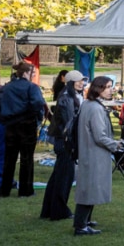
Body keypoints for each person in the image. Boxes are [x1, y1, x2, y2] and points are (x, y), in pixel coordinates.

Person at [73, 76, 124, 236]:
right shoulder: (94, 108)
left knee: (90, 188)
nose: (111, 90)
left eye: (111, 86)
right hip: (93, 153)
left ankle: (85, 221)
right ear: (98, 88)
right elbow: (99, 136)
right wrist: (114, 144)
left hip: (91, 152)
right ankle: (81, 226)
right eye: (108, 87)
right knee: (89, 189)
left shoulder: (89, 104)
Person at [0, 61, 47, 198]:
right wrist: (38, 117)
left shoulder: (8, 87)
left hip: (10, 125)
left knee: (9, 158)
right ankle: (25, 190)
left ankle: (4, 190)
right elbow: (38, 103)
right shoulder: (32, 87)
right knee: (26, 159)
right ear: (26, 73)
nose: (34, 75)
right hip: (26, 125)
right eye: (33, 73)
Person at [40, 71, 82, 221]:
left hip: (62, 142)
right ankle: (59, 211)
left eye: (82, 80)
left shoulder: (68, 96)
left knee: (58, 177)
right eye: (78, 80)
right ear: (71, 82)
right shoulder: (67, 98)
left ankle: (49, 210)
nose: (81, 83)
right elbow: (69, 123)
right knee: (64, 178)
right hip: (65, 143)